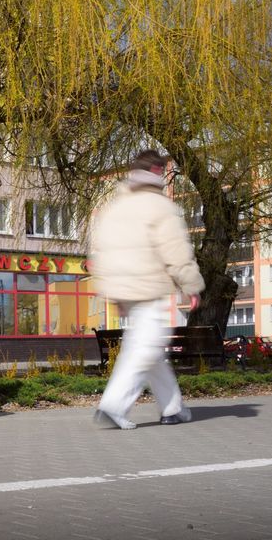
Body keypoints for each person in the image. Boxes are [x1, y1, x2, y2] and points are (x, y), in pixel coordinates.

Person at [88, 149, 205, 430]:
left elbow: (101, 251)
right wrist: (191, 285)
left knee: (150, 347)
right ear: (156, 171)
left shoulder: (115, 207)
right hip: (149, 287)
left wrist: (112, 291)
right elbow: (175, 249)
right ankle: (113, 406)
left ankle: (173, 408)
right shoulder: (159, 206)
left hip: (123, 288)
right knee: (146, 347)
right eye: (164, 170)